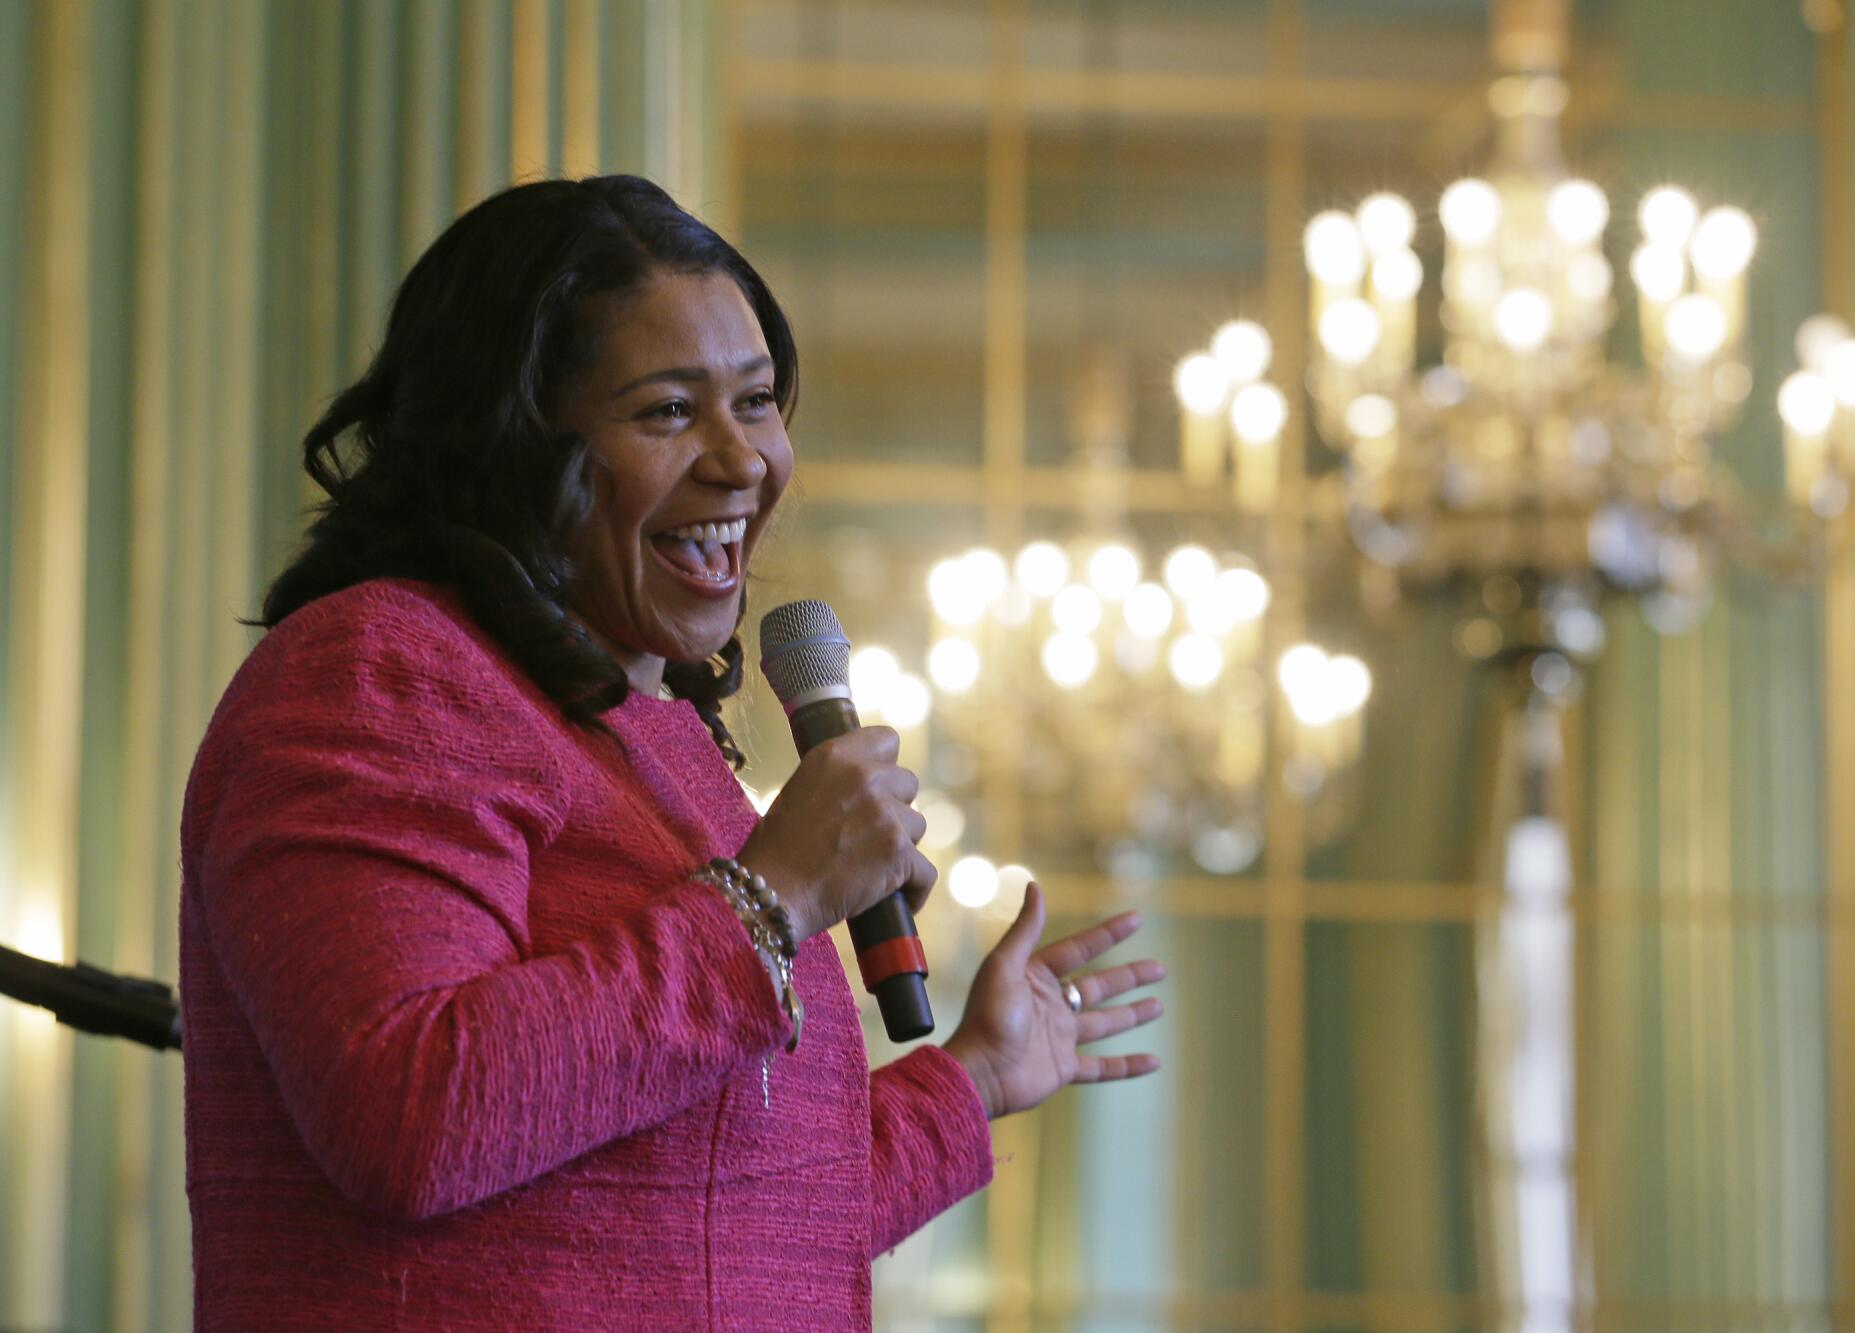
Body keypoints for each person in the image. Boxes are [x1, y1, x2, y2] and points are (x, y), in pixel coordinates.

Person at [177, 175, 1166, 1329]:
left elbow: (723, 1213)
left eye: (755, 402)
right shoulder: (378, 670)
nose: (741, 459)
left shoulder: (653, 734)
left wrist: (977, 1076)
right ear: (510, 440)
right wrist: (775, 894)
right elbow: (410, 1113)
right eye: (665, 412)